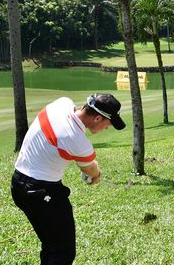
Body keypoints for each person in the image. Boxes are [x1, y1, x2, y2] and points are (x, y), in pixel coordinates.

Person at [12, 93, 126, 264]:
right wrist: (95, 176)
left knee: (51, 246)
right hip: (41, 193)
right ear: (96, 118)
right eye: (108, 122)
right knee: (62, 252)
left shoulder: (61, 104)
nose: (108, 127)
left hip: (18, 185)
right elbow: (92, 171)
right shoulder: (77, 141)